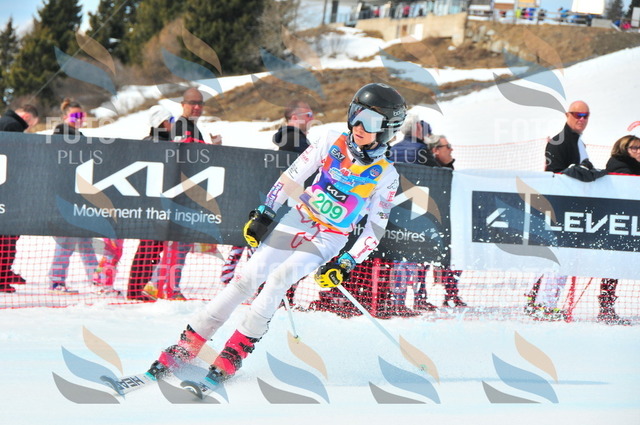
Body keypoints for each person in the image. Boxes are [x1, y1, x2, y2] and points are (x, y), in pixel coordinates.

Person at [145, 83, 406, 384]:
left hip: (329, 237)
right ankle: (188, 344)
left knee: (278, 281)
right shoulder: (330, 140)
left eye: (370, 121)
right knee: (246, 278)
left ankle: (234, 352)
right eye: (356, 115)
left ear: (387, 129)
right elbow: (293, 176)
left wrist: (347, 262)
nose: (359, 126)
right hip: (300, 218)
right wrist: (266, 211)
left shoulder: (386, 174)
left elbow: (375, 229)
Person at [143, 92, 216, 301]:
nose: (197, 107)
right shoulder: (181, 126)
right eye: (192, 103)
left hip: (185, 193)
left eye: (200, 103)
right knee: (178, 244)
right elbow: (182, 154)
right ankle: (169, 288)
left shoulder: (190, 126)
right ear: (183, 104)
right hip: (177, 195)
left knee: (177, 244)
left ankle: (156, 284)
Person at [527, 101, 592, 320]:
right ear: (567, 115)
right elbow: (554, 174)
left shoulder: (578, 142)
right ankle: (543, 304)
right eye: (577, 114)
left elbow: (584, 168)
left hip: (566, 208)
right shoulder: (559, 141)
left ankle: (537, 301)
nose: (581, 119)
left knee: (555, 256)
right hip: (556, 208)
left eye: (585, 115)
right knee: (557, 257)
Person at [388, 114, 437, 313]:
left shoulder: (393, 149)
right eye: (427, 131)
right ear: (417, 130)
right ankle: (418, 298)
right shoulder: (421, 150)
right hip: (418, 209)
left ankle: (397, 299)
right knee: (419, 255)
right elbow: (436, 177)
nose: (429, 135)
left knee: (397, 256)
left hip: (393, 208)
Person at [48, 99, 99, 293]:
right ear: (65, 117)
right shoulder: (60, 133)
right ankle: (56, 280)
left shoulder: (81, 136)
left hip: (80, 195)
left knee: (85, 239)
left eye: (81, 115)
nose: (79, 119)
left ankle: (96, 277)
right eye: (75, 115)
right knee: (67, 239)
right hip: (64, 195)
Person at [125, 105, 173, 301]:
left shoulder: (161, 142)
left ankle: (138, 288)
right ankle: (135, 290)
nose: (173, 124)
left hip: (158, 203)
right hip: (151, 204)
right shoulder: (154, 143)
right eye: (171, 120)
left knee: (152, 247)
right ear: (162, 122)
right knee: (148, 247)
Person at [596, 135, 640, 325]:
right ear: (623, 149)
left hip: (631, 221)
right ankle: (606, 309)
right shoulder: (619, 165)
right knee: (614, 266)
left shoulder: (634, 164)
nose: (638, 151)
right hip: (619, 223)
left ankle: (606, 308)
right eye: (634, 148)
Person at [0, 104, 39, 293]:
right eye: (31, 124)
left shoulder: (5, 122)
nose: (28, 128)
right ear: (26, 117)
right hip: (7, 191)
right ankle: (2, 276)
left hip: (5, 189)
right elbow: (16, 160)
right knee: (8, 236)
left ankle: (5, 271)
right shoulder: (12, 126)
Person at [426, 134, 467, 307]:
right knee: (426, 261)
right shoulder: (432, 169)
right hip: (433, 223)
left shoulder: (448, 168)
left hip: (450, 222)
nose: (451, 149)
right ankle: (422, 297)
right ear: (436, 150)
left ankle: (451, 292)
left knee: (455, 257)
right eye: (447, 146)